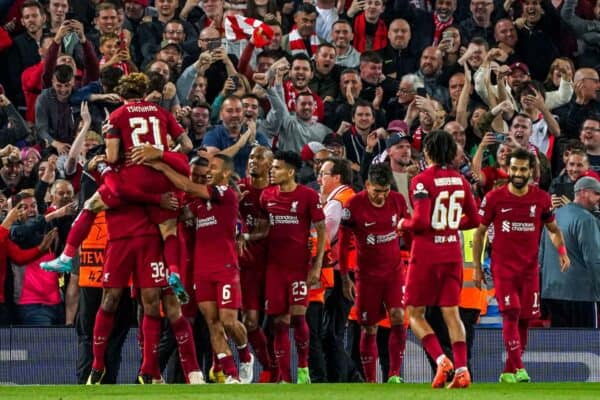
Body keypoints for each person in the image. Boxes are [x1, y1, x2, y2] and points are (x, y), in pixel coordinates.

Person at [41, 73, 192, 300]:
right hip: (162, 177)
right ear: (143, 94)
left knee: (91, 206)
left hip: (134, 177)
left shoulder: (117, 115)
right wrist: (160, 155)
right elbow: (187, 145)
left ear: (120, 96)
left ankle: (65, 257)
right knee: (168, 229)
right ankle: (174, 272)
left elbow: (111, 157)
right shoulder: (162, 113)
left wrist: (108, 159)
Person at [147, 153, 254, 384]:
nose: (207, 173)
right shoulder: (195, 203)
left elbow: (187, 186)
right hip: (198, 272)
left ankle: (245, 354)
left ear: (225, 173)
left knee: (228, 321)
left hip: (225, 268)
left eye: (212, 168)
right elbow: (179, 215)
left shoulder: (226, 194)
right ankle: (230, 375)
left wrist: (162, 167)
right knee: (211, 324)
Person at [473, 148, 571, 384]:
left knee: (526, 319)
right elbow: (479, 233)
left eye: (522, 169)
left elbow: (553, 229)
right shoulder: (494, 198)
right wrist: (477, 267)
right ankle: (520, 368)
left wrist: (562, 252)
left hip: (529, 270)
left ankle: (508, 371)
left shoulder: (541, 198)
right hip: (503, 268)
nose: (517, 173)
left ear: (530, 171)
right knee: (511, 313)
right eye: (514, 168)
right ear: (508, 169)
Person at [398, 130, 480, 389]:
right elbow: (475, 220)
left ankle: (441, 359)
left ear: (428, 152)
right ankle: (463, 369)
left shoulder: (422, 181)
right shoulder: (460, 181)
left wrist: (403, 223)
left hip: (426, 254)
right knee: (451, 313)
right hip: (451, 253)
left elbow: (421, 222)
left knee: (414, 313)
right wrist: (450, 225)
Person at [338, 163, 409, 383]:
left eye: (385, 191)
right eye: (377, 191)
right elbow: (342, 244)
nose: (381, 196)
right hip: (367, 276)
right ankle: (371, 381)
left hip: (394, 272)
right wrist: (344, 277)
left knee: (398, 317)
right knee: (369, 328)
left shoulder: (397, 200)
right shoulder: (354, 205)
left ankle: (394, 375)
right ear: (367, 185)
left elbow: (407, 230)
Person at [260, 150, 326, 383]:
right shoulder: (266, 196)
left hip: (299, 267)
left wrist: (316, 266)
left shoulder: (308, 196)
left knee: (298, 318)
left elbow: (321, 230)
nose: (272, 171)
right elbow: (264, 228)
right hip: (274, 268)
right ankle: (286, 378)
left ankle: (303, 369)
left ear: (290, 171)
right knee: (279, 322)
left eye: (277, 168)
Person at [540, 177, 600, 328]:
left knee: (561, 347)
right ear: (584, 193)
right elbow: (594, 259)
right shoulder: (587, 220)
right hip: (581, 295)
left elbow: (541, 256)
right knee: (586, 347)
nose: (599, 199)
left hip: (553, 292)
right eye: (597, 194)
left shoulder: (553, 216)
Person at [237, 146, 276, 381]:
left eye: (260, 158)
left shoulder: (276, 192)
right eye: (251, 157)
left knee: (275, 322)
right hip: (248, 265)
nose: (254, 161)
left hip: (274, 265)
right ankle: (268, 366)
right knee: (250, 321)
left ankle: (276, 371)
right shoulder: (240, 189)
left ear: (270, 164)